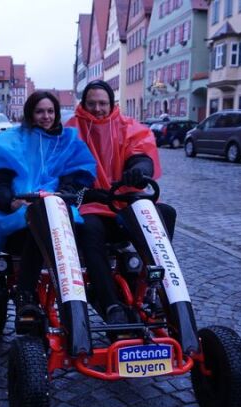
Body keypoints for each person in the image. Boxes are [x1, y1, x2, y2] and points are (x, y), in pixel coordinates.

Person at [0, 91, 97, 332]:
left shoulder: (66, 142)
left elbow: (73, 178)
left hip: (56, 213)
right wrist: (11, 202)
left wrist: (65, 191)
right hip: (20, 221)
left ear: (56, 114)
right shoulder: (13, 142)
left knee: (76, 229)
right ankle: (25, 294)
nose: (46, 116)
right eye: (40, 111)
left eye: (50, 111)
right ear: (30, 113)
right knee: (36, 229)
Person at [65, 80, 177, 325]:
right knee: (90, 228)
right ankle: (111, 303)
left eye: (102, 103)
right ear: (83, 104)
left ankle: (150, 286)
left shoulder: (127, 127)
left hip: (122, 204)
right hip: (90, 205)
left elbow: (140, 154)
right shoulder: (72, 131)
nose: (97, 109)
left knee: (165, 213)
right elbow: (64, 169)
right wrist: (84, 191)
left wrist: (138, 170)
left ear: (112, 104)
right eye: (92, 103)